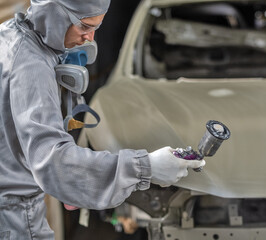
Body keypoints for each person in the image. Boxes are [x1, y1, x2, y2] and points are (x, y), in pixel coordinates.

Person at [0, 0, 205, 239]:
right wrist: (146, 167)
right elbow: (53, 162)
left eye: (96, 27)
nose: (90, 38)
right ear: (54, 13)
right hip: (14, 219)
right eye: (85, 26)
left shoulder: (10, 34)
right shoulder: (30, 67)